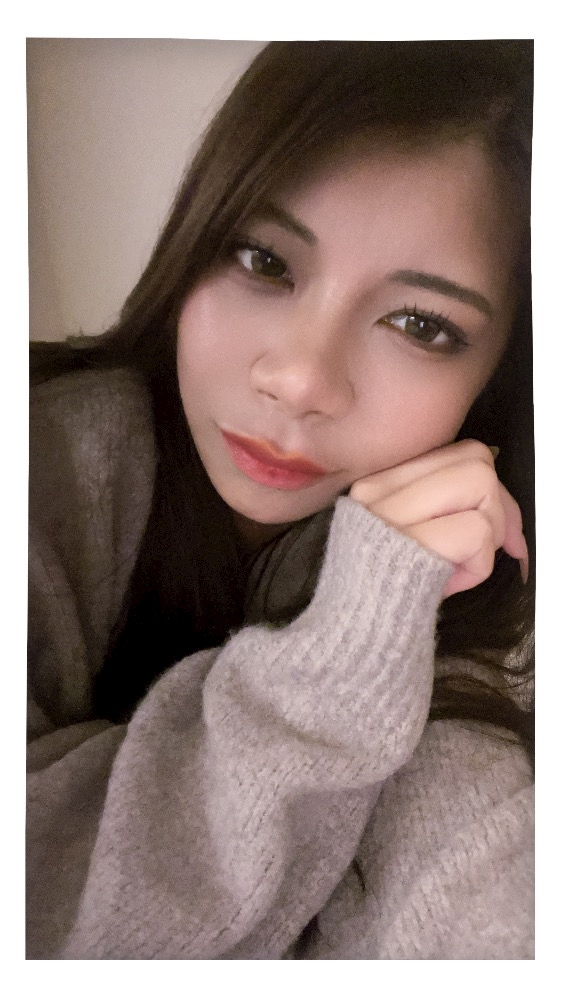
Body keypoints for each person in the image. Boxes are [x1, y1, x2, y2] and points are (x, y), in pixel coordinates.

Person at [27, 40, 534, 959]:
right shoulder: (38, 467)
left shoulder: (482, 587)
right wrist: (334, 667)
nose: (300, 380)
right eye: (264, 260)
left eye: (420, 324)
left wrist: (383, 603)